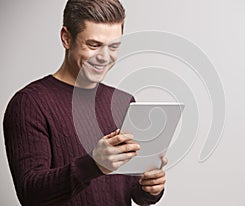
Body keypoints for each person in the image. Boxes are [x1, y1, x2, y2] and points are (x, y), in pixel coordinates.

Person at [3, 0, 167, 205]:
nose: (104, 57)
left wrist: (149, 187)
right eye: (94, 45)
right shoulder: (29, 104)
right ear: (66, 38)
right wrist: (94, 164)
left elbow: (132, 193)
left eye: (114, 46)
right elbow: (30, 194)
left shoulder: (125, 102)